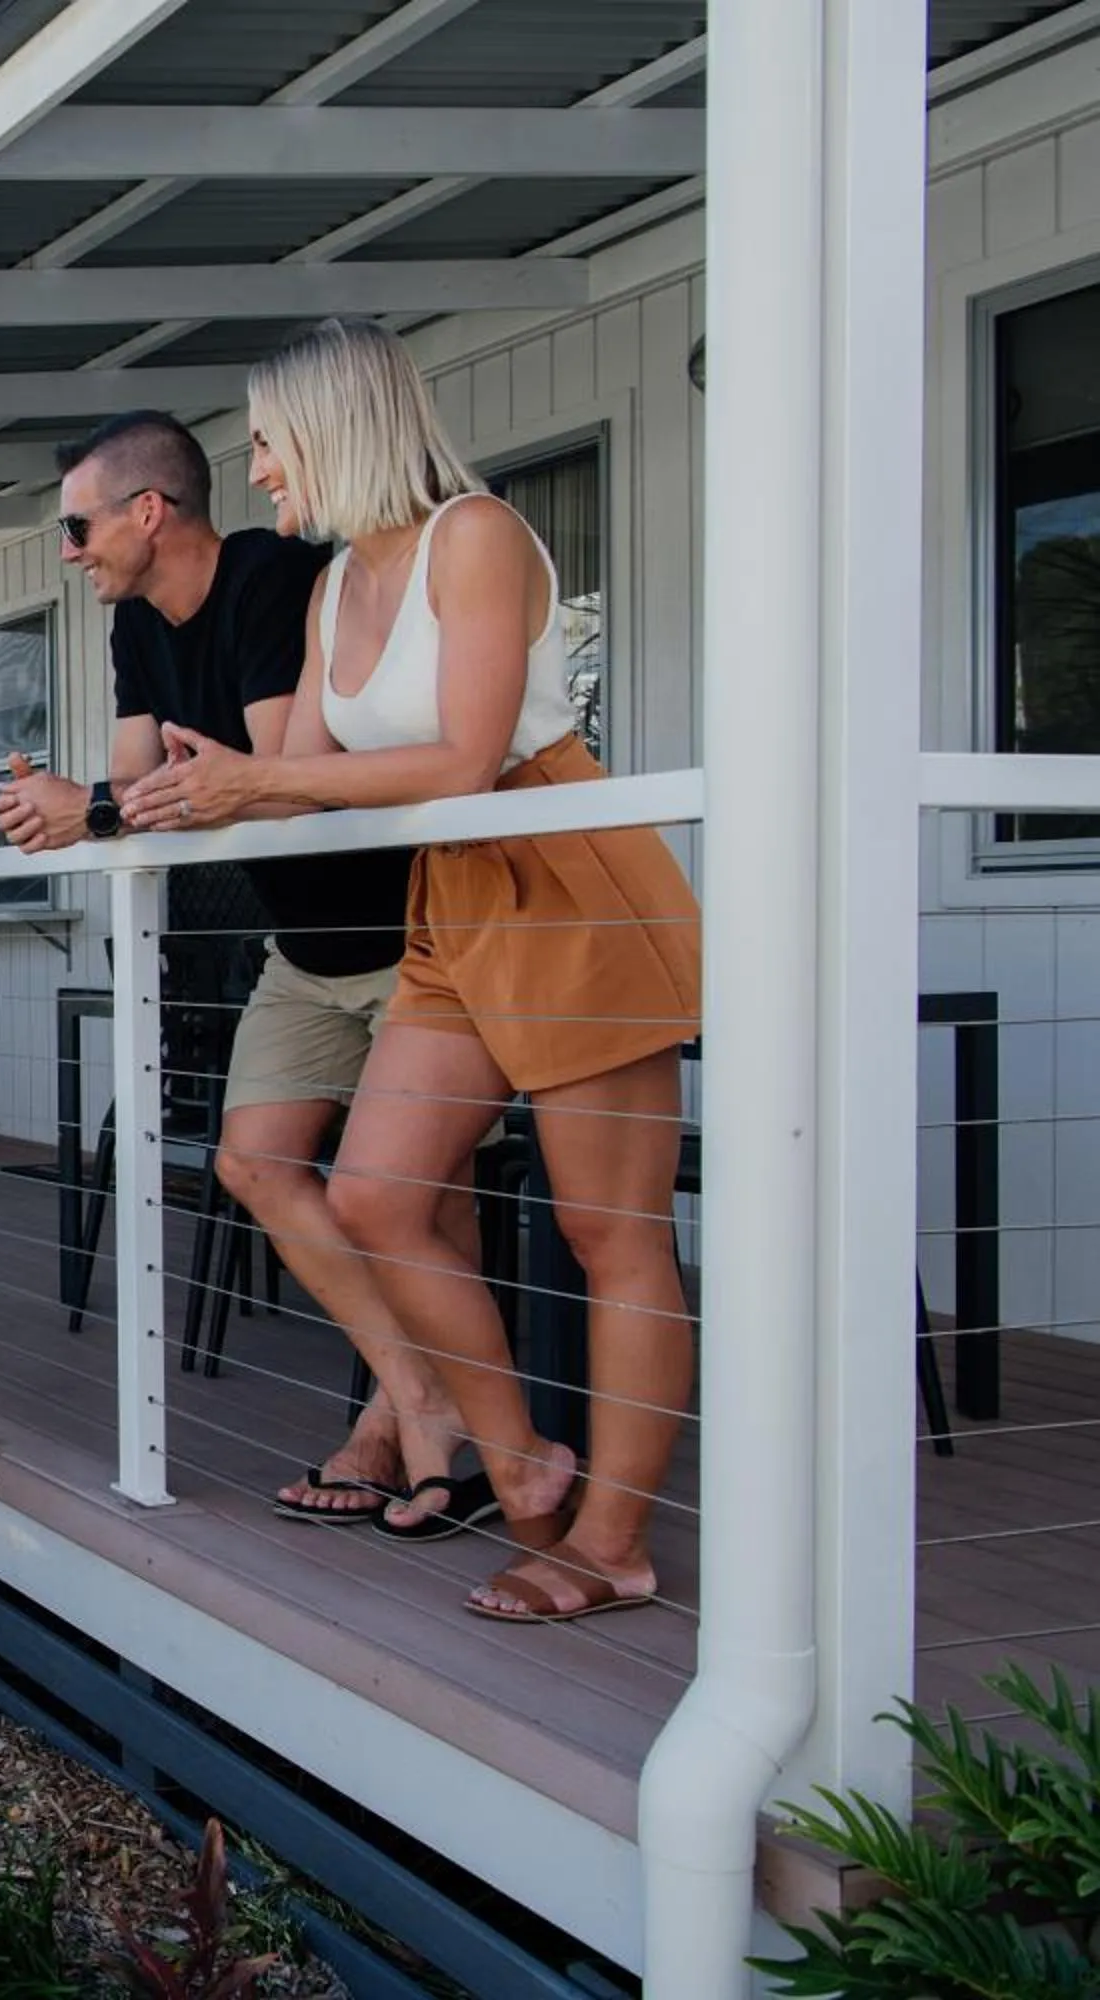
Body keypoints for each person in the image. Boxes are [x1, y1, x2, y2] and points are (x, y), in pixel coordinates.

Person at [120, 316, 701, 1625]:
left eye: (270, 441)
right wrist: (160, 803)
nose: (260, 470)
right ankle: (524, 1464)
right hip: (452, 893)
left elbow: (462, 755)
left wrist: (259, 774)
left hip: (564, 869)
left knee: (614, 1236)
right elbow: (301, 786)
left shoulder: (476, 536)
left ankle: (610, 1541)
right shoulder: (334, 587)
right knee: (379, 1193)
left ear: (337, 424)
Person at [0, 410, 488, 1539]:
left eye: (78, 526)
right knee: (255, 1163)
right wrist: (64, 806)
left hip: (413, 934)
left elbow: (281, 784)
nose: (68, 552)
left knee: (425, 1201)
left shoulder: (272, 579)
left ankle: (401, 1434)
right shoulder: (136, 632)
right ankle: (422, 1400)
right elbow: (137, 802)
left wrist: (106, 807)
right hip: (304, 954)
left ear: (147, 512)